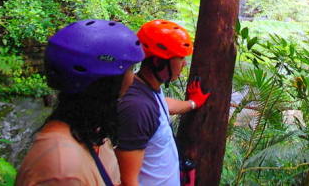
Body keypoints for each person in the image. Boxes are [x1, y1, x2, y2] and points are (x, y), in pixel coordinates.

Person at [16, 19, 145, 186]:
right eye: (129, 70)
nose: (133, 78)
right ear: (104, 84)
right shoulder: (64, 170)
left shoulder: (92, 134)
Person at [116, 19, 210, 186]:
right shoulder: (137, 107)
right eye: (180, 58)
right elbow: (127, 181)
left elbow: (163, 106)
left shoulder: (147, 88)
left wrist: (193, 103)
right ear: (158, 62)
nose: (184, 64)